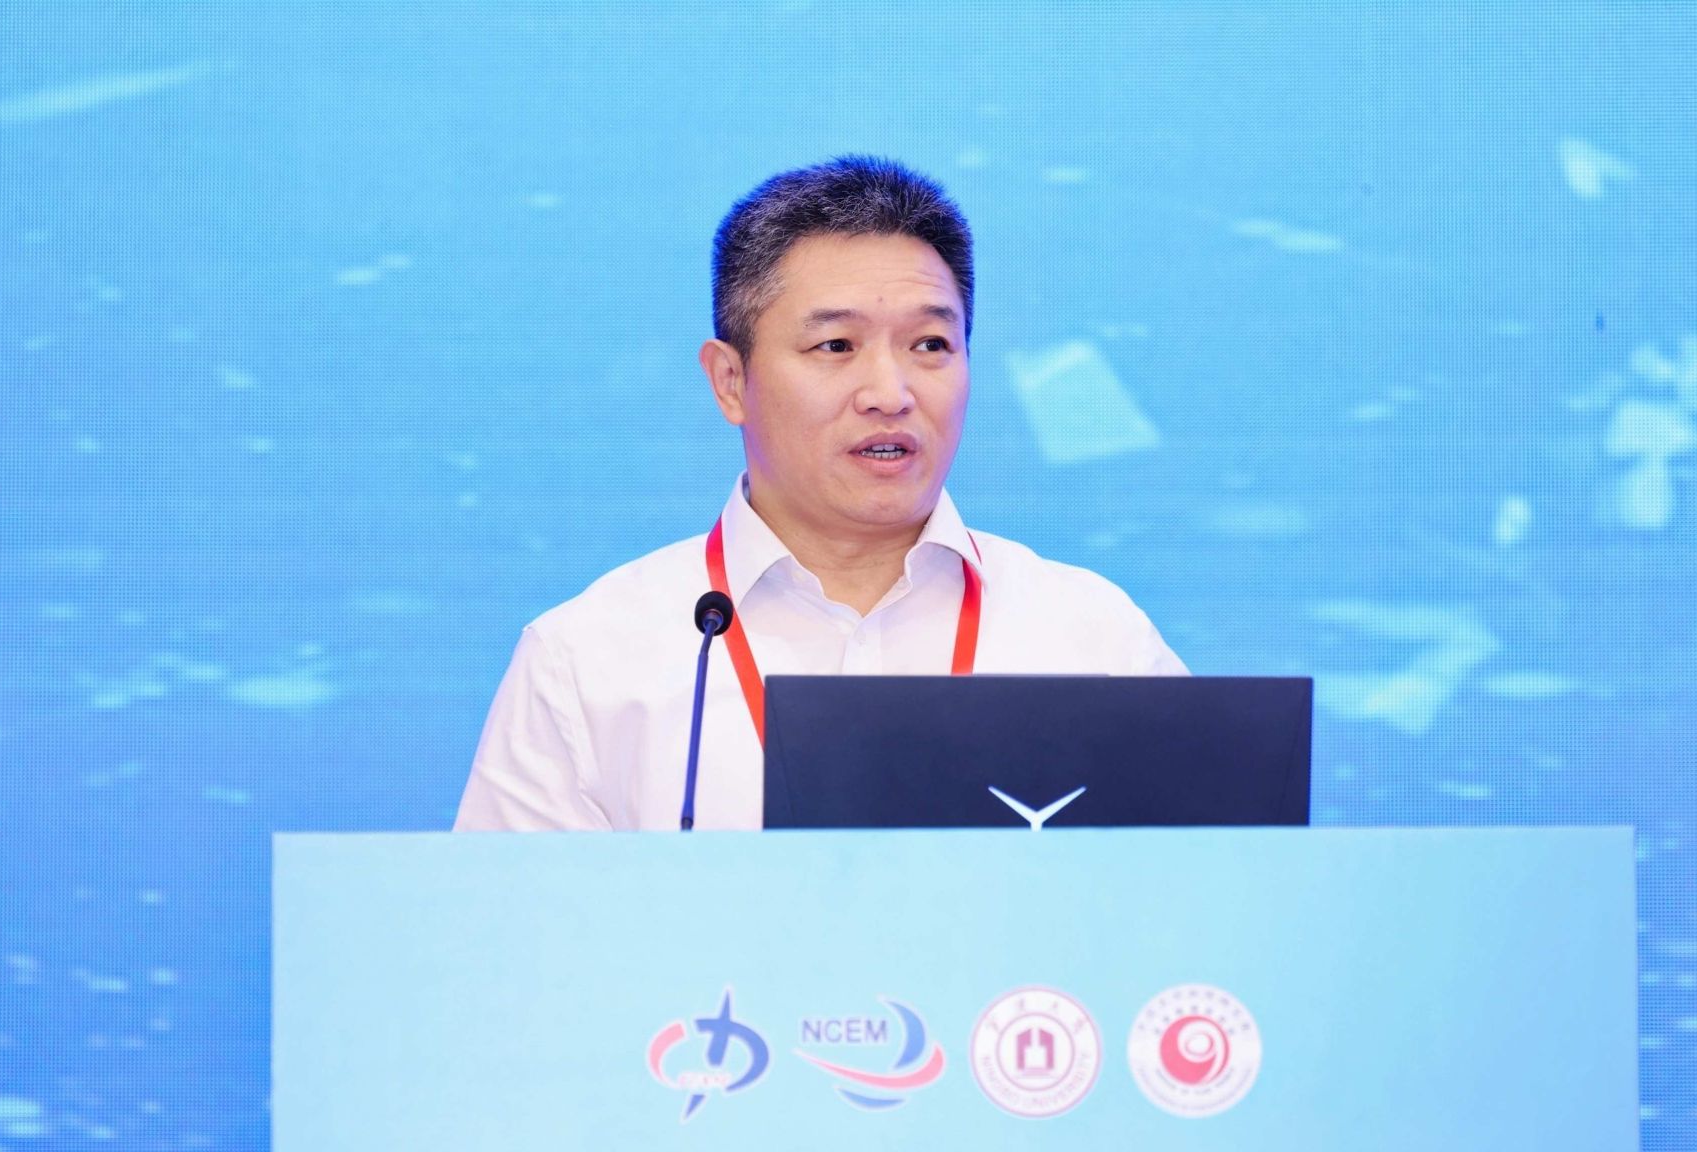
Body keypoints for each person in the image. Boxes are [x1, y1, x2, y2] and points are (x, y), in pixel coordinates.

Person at [454, 155, 1186, 832]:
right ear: (730, 381)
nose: (890, 393)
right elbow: (510, 923)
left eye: (930, 345)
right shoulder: (587, 662)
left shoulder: (1092, 640)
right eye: (836, 346)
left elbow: (1199, 898)